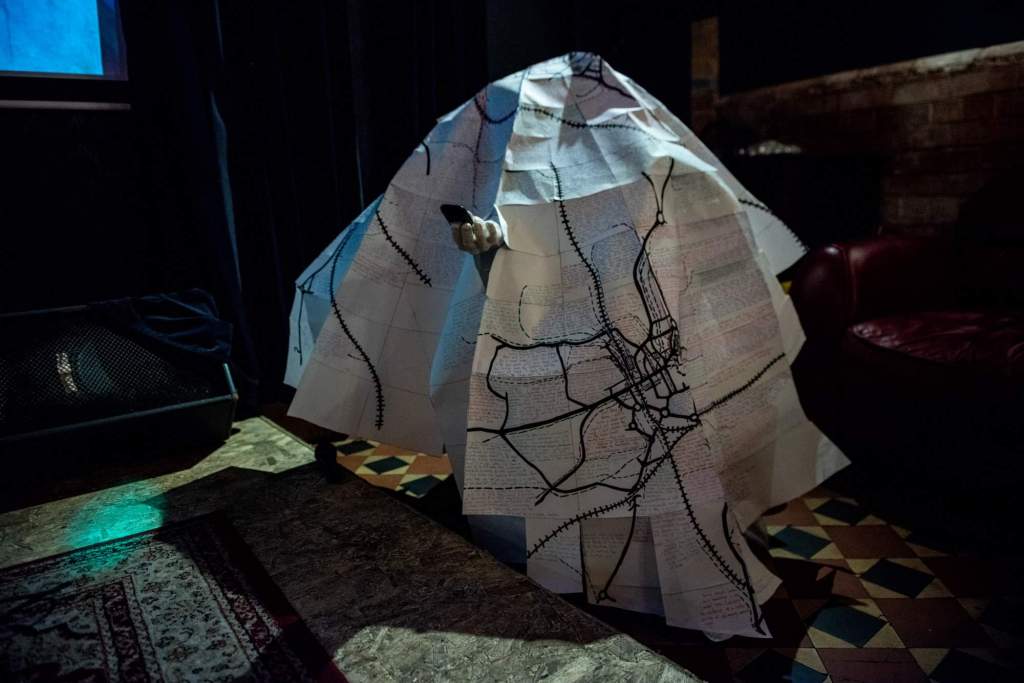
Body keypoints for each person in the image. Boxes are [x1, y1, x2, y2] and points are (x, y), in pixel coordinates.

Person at [286, 53, 847, 639]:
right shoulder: (533, 159)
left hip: (631, 363)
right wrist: (492, 249)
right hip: (569, 363)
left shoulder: (647, 162)